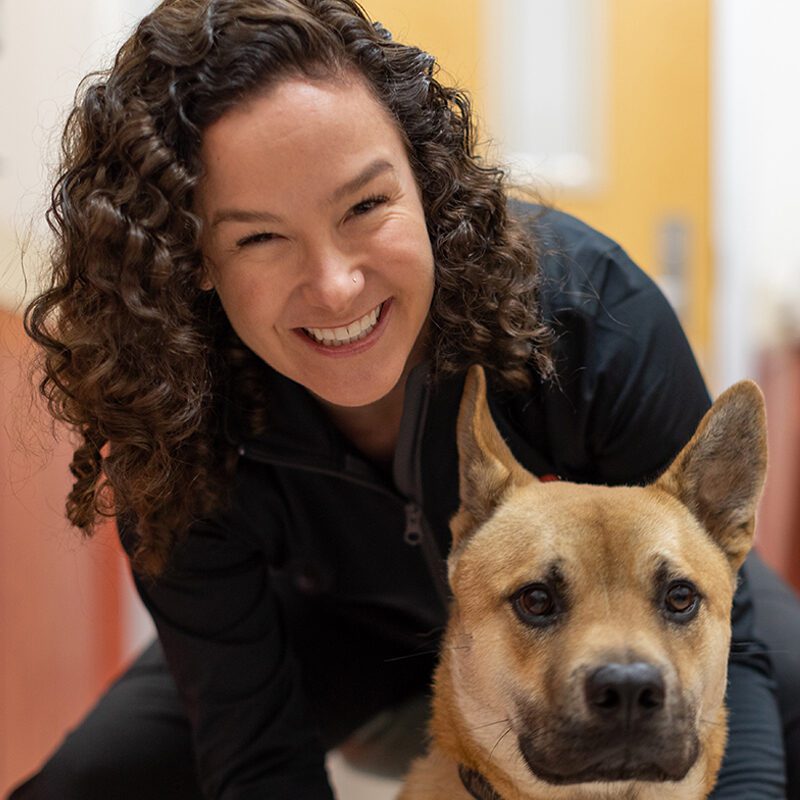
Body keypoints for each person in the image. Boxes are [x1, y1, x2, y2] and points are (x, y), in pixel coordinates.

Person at [10, 1, 797, 798]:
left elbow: (739, 651)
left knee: (784, 700)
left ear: (425, 180)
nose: (336, 284)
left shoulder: (592, 313)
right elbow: (253, 753)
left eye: (363, 206)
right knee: (87, 785)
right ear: (196, 260)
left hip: (609, 601)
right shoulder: (172, 419)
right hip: (328, 627)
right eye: (258, 237)